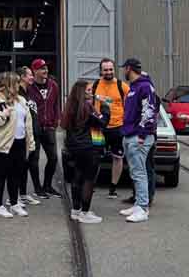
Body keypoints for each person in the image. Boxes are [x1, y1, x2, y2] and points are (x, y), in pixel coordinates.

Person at [0, 71, 36, 219]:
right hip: (2, 144)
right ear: (8, 84)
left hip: (20, 142)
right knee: (1, 174)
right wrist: (3, 114)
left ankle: (14, 203)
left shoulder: (20, 100)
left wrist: (30, 142)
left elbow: (28, 123)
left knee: (16, 174)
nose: (19, 85)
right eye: (16, 83)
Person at [61, 79, 110, 224]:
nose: (91, 93)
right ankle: (85, 212)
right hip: (88, 148)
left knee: (77, 177)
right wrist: (106, 107)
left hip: (74, 148)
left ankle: (75, 210)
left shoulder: (70, 106)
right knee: (89, 180)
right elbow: (103, 122)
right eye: (88, 90)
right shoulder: (87, 107)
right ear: (81, 92)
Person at [118, 58, 158, 223]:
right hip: (130, 134)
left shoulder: (144, 86)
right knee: (136, 172)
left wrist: (142, 135)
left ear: (129, 68)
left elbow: (149, 111)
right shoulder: (133, 88)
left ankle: (142, 208)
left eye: (124, 69)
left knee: (140, 172)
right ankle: (138, 204)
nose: (123, 72)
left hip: (139, 136)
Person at [92, 58, 128, 200]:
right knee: (95, 157)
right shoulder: (94, 85)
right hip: (99, 128)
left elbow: (131, 106)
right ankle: (91, 184)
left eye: (110, 69)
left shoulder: (122, 86)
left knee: (117, 157)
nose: (108, 72)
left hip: (117, 128)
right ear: (100, 71)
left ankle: (113, 188)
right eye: (105, 69)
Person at [26, 58, 62, 200]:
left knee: (53, 158)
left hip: (49, 127)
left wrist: (56, 120)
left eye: (46, 68)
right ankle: (37, 188)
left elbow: (56, 105)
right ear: (34, 71)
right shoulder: (29, 87)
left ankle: (47, 185)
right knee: (33, 159)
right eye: (42, 68)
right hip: (34, 128)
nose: (45, 70)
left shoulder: (54, 86)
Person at [16, 67, 42, 206]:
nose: (32, 77)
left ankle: (23, 194)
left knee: (27, 165)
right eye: (30, 75)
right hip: (23, 135)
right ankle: (16, 197)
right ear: (22, 77)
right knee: (21, 166)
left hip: (33, 133)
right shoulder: (17, 93)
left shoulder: (29, 91)